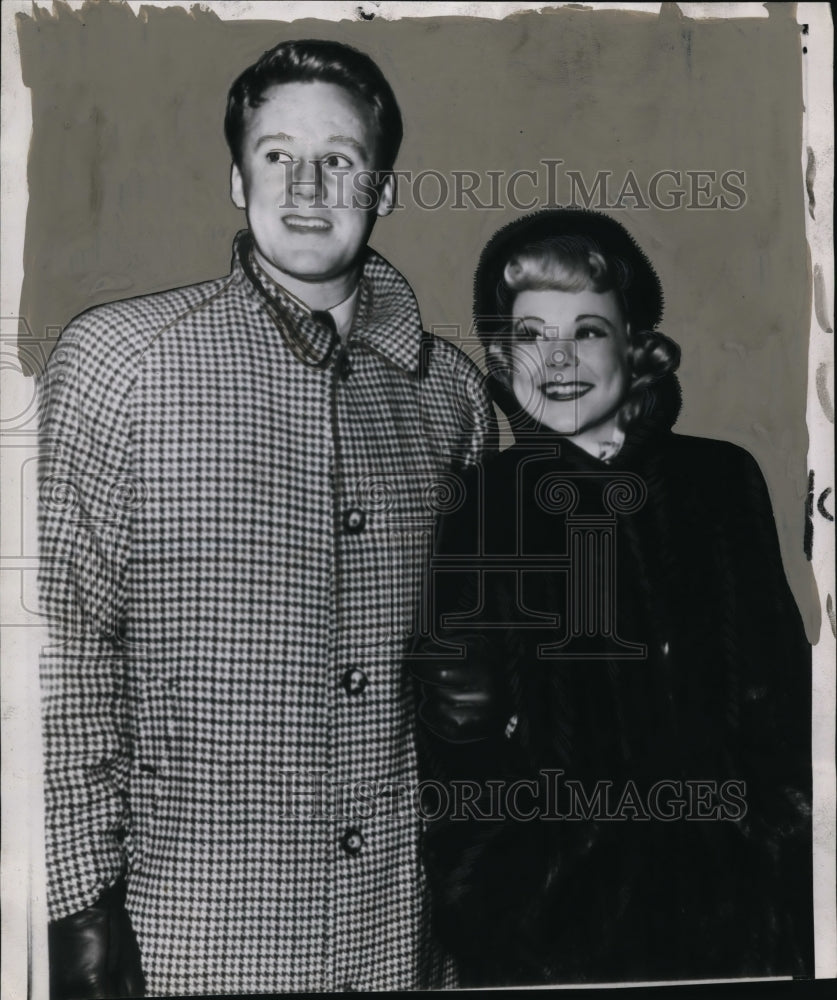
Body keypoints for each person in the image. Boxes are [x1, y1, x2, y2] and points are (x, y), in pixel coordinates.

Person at [38, 39, 496, 996]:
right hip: (188, 922)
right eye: (277, 153)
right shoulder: (121, 361)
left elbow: (470, 645)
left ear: (385, 189)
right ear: (235, 178)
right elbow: (64, 645)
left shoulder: (448, 392)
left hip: (395, 928)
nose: (308, 185)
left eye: (340, 158)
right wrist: (77, 903)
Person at [410, 209, 813, 986]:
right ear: (500, 356)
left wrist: (774, 852)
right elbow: (455, 748)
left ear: (635, 344)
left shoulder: (718, 481)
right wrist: (504, 903)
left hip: (734, 929)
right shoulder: (482, 503)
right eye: (532, 336)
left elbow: (780, 695)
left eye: (587, 330)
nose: (559, 360)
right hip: (548, 940)